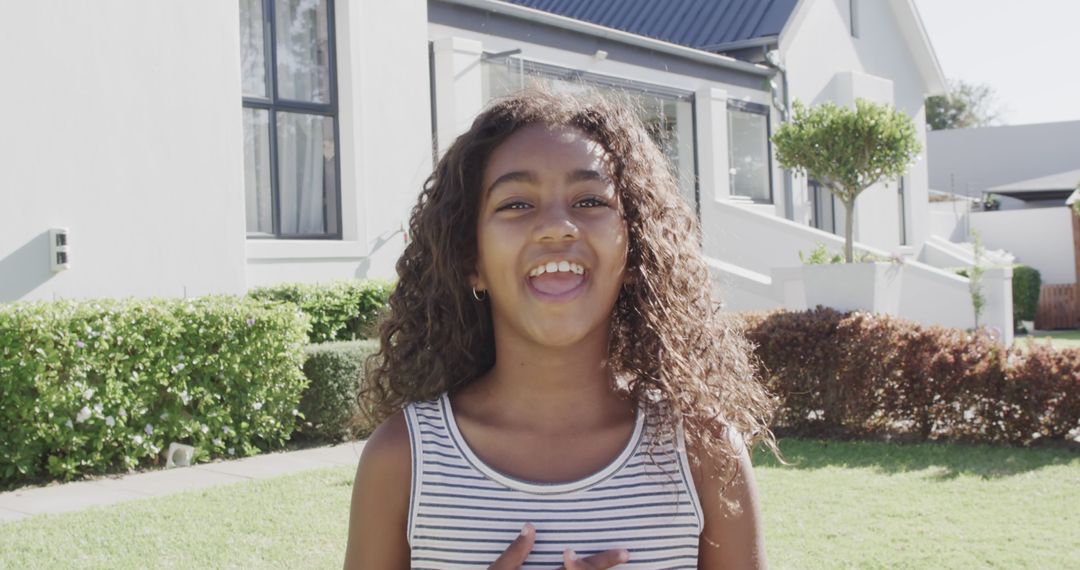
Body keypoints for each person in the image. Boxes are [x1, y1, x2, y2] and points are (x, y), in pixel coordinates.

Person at [343, 90, 779, 569]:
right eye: (515, 205)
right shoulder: (404, 459)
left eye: (590, 200)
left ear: (636, 252)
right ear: (472, 261)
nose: (557, 227)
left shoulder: (702, 452)